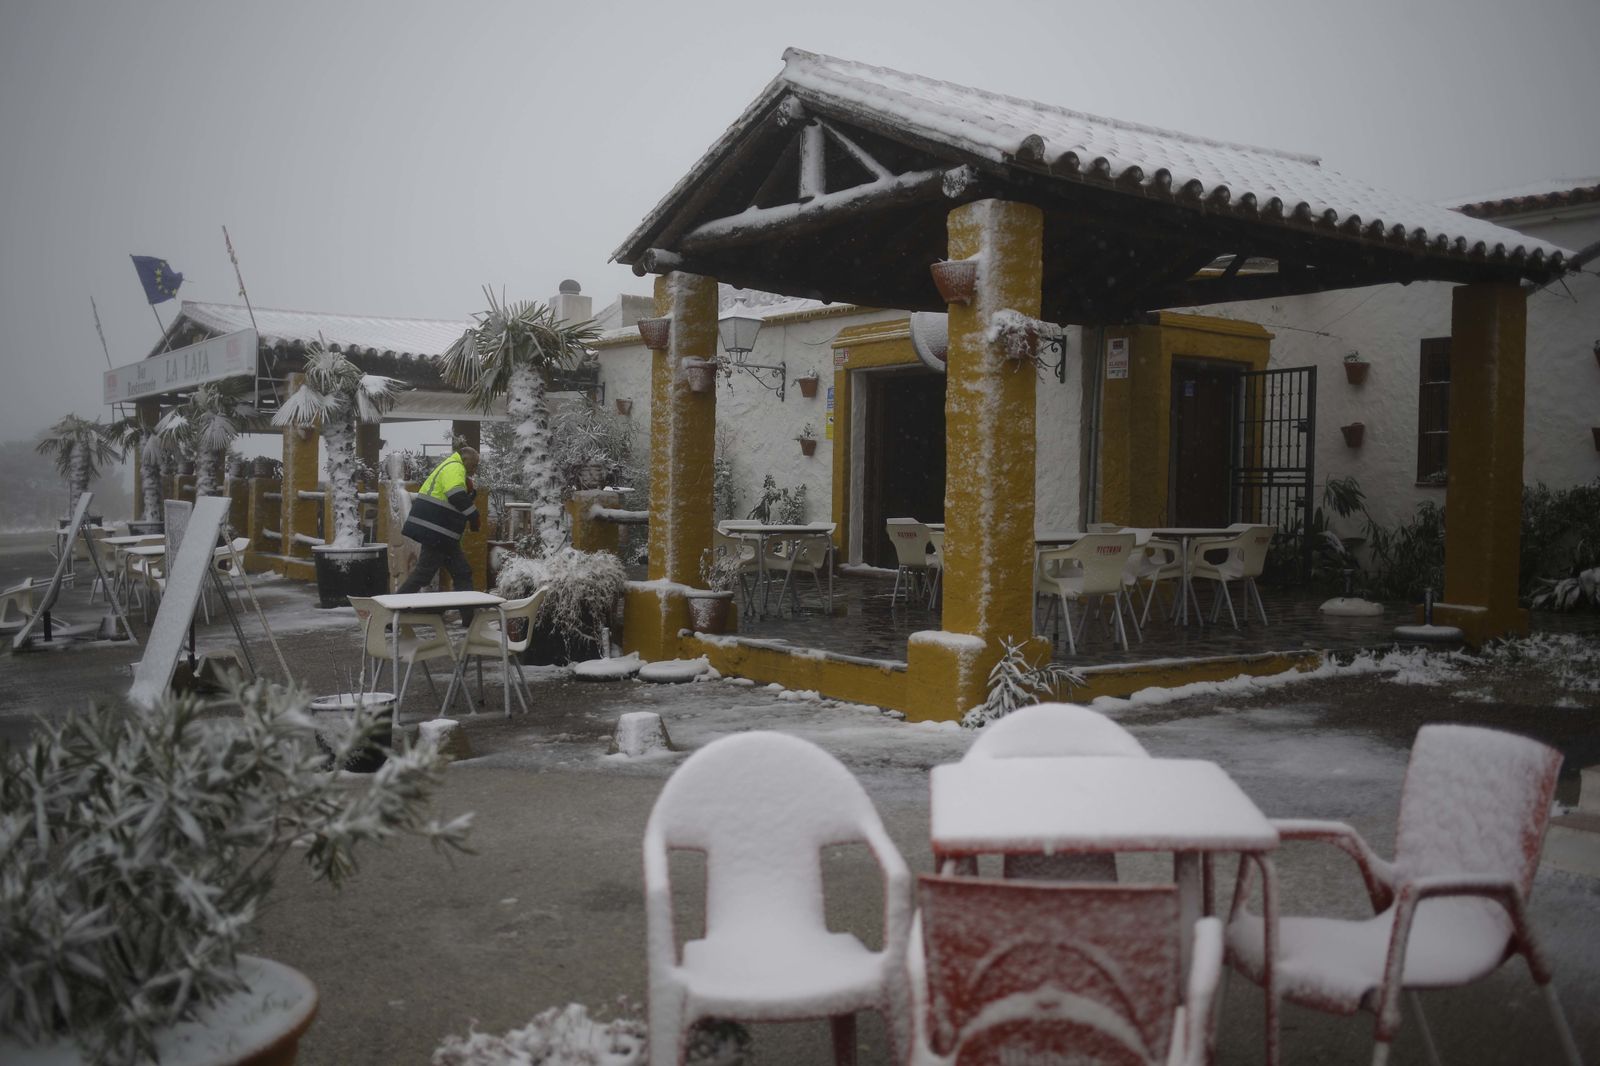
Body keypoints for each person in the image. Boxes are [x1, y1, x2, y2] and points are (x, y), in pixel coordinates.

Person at [397, 446, 481, 620]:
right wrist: (474, 514)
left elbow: (450, 496)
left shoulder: (450, 467)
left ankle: (469, 619)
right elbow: (455, 495)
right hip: (437, 532)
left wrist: (470, 494)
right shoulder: (455, 467)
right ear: (465, 460)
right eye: (474, 464)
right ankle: (391, 614)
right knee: (424, 573)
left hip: (441, 534)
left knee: (461, 572)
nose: (475, 468)